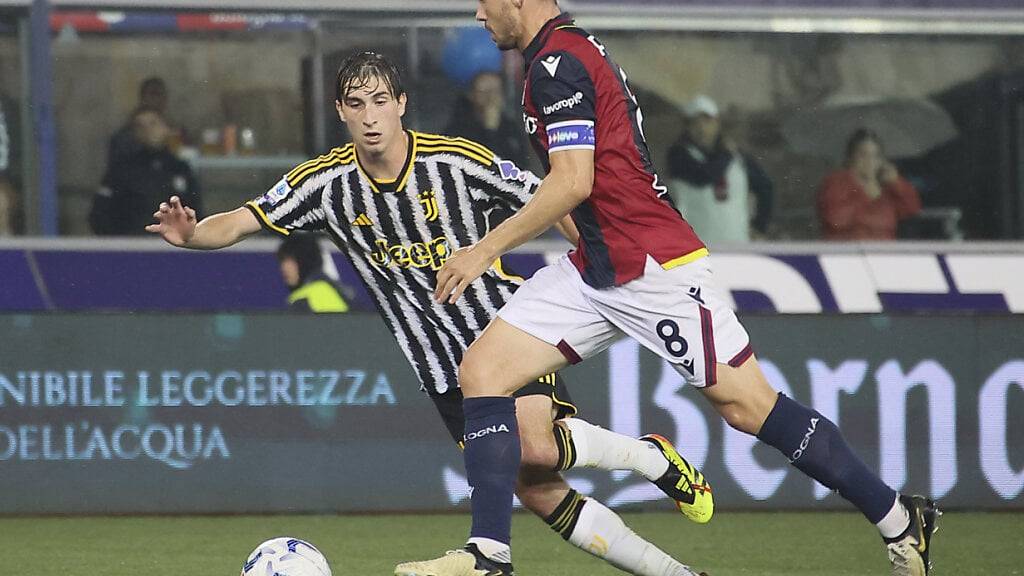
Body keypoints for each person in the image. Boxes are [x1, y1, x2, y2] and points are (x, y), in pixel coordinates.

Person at [404, 4, 940, 576]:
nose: (479, 12)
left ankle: (898, 518)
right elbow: (582, 182)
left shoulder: (558, 62)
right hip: (596, 266)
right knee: (483, 371)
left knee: (749, 408)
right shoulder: (557, 55)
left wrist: (483, 249)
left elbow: (573, 180)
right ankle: (489, 555)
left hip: (651, 267)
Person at [148, 52, 713, 576]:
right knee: (539, 491)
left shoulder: (456, 161)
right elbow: (243, 220)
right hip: (441, 369)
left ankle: (648, 459)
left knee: (533, 446)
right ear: (340, 111)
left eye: (380, 101)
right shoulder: (325, 185)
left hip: (510, 332)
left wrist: (598, 260)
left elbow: (551, 199)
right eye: (356, 104)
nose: (370, 116)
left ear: (401, 104)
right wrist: (193, 234)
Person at [666, 95, 773, 245]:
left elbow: (765, 187)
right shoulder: (678, 156)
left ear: (717, 123)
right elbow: (704, 176)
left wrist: (759, 226)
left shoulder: (739, 158)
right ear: (687, 127)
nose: (701, 128)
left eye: (707, 121)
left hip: (737, 245)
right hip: (696, 247)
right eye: (695, 122)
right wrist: (726, 154)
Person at [91, 109, 201, 236]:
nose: (147, 130)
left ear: (166, 129)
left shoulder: (180, 168)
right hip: (131, 243)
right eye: (140, 126)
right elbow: (100, 214)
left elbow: (195, 211)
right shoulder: (122, 169)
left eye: (153, 124)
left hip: (173, 244)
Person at [817, 128, 922, 240]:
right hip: (847, 249)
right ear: (850, 157)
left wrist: (897, 182)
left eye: (876, 155)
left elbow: (912, 209)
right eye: (863, 155)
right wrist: (866, 198)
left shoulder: (886, 186)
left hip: (884, 249)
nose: (870, 161)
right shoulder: (836, 182)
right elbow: (836, 219)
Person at [445, 71, 531, 169]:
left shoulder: (511, 128)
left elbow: (520, 165)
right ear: (472, 95)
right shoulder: (458, 128)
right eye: (484, 91)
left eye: (495, 91)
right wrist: (490, 130)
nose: (490, 97)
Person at [107, 77, 176, 169]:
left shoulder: (174, 133)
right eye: (153, 94)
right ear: (142, 99)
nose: (158, 100)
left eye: (161, 95)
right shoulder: (123, 137)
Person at [276, 233, 351, 313]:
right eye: (282, 261)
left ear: (305, 262)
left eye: (291, 260)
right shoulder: (337, 292)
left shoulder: (303, 302)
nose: (284, 267)